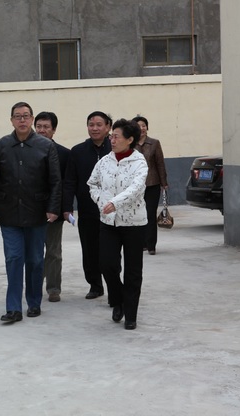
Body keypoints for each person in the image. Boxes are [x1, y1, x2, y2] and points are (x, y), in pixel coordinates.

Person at [0, 102, 61, 322]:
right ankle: (13, 308)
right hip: (9, 213)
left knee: (35, 260)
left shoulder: (45, 146)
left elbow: (55, 181)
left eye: (26, 116)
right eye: (17, 116)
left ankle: (34, 302)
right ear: (11, 120)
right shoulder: (1, 145)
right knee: (13, 258)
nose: (22, 120)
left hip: (36, 213)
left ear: (32, 119)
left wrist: (53, 208)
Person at [88, 118, 148, 330]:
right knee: (107, 264)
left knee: (133, 271)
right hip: (109, 222)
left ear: (130, 139)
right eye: (111, 136)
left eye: (116, 137)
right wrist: (101, 200)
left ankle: (131, 314)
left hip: (134, 224)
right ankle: (118, 299)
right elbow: (92, 183)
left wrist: (115, 202)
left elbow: (136, 189)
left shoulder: (139, 163)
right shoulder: (105, 161)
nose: (112, 140)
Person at [62, 111, 113, 300]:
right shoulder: (78, 151)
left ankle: (113, 287)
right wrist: (67, 207)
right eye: (91, 124)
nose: (95, 128)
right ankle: (95, 285)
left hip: (112, 212)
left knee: (110, 253)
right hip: (87, 210)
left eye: (99, 124)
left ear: (108, 127)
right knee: (90, 251)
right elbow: (70, 181)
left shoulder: (115, 149)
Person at [34, 111, 70, 303]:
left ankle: (54, 288)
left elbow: (66, 185)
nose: (42, 130)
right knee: (33, 252)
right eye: (39, 126)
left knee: (53, 252)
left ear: (54, 130)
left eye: (46, 127)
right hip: (31, 211)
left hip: (54, 211)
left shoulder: (64, 154)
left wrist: (62, 210)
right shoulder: (26, 150)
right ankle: (34, 286)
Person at [132, 116, 168, 255]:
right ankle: (142, 244)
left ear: (147, 127)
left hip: (152, 183)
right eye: (138, 126)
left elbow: (160, 163)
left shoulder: (154, 143)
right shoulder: (130, 143)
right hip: (135, 186)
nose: (141, 128)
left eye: (144, 125)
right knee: (138, 214)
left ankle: (151, 245)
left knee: (150, 214)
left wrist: (164, 183)